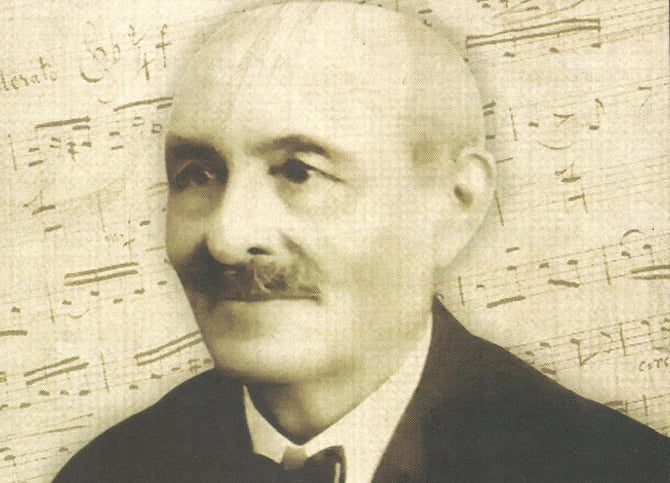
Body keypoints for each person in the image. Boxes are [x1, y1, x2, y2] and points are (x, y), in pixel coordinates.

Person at [53, 2, 669, 482]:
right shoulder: (107, 472)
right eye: (198, 175)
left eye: (299, 172)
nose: (228, 238)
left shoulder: (617, 469)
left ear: (455, 203)